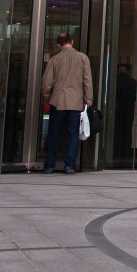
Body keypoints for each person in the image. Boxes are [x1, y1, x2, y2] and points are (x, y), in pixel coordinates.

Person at [41, 33, 93, 174]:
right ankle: (69, 165)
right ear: (72, 41)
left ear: (59, 45)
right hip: (76, 102)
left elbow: (47, 82)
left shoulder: (54, 60)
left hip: (58, 101)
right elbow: (87, 80)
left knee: (54, 133)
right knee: (72, 134)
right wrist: (88, 99)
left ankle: (50, 165)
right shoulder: (83, 58)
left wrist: (47, 97)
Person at [113, 63, 137, 158]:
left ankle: (117, 153)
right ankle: (126, 153)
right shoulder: (133, 82)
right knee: (127, 132)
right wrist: (133, 98)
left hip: (117, 110)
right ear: (128, 71)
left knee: (117, 131)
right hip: (129, 110)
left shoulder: (116, 81)